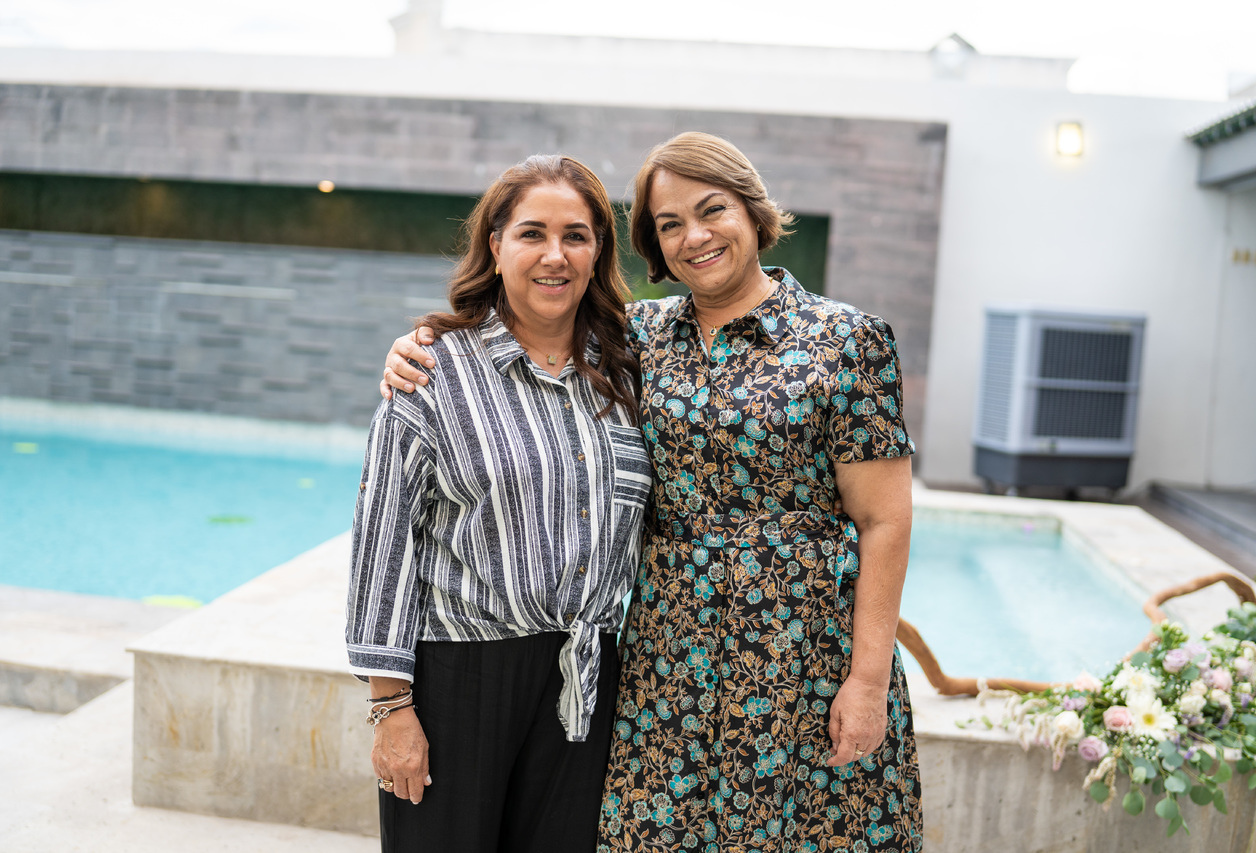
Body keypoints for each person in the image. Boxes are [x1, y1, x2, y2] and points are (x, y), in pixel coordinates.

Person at [381, 132, 922, 852]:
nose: (694, 236)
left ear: (753, 212)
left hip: (802, 654)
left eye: (713, 210)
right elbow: (529, 335)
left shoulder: (847, 341)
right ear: (654, 245)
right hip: (667, 663)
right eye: (670, 224)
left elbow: (885, 519)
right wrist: (427, 343)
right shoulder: (634, 339)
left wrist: (868, 679)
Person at [347, 154, 653, 853]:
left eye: (576, 236)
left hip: (584, 678)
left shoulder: (626, 371)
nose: (555, 255)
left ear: (598, 251)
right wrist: (391, 708)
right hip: (459, 678)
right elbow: (383, 545)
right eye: (532, 233)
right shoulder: (432, 371)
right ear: (495, 245)